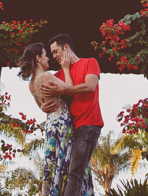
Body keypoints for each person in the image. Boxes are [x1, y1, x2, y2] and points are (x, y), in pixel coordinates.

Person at [18, 43, 93, 196]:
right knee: (68, 161)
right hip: (62, 124)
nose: (48, 58)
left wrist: (44, 108)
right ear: (38, 58)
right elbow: (69, 90)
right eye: (45, 55)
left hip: (51, 125)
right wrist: (65, 68)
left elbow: (42, 106)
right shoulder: (46, 76)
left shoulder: (32, 84)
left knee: (54, 162)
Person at [38, 33, 101, 196]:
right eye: (51, 53)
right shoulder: (59, 75)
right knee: (65, 172)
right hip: (68, 131)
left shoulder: (89, 62)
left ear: (66, 48)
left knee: (75, 173)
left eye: (55, 51)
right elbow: (43, 93)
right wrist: (42, 106)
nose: (54, 56)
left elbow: (89, 87)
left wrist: (64, 89)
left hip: (87, 125)